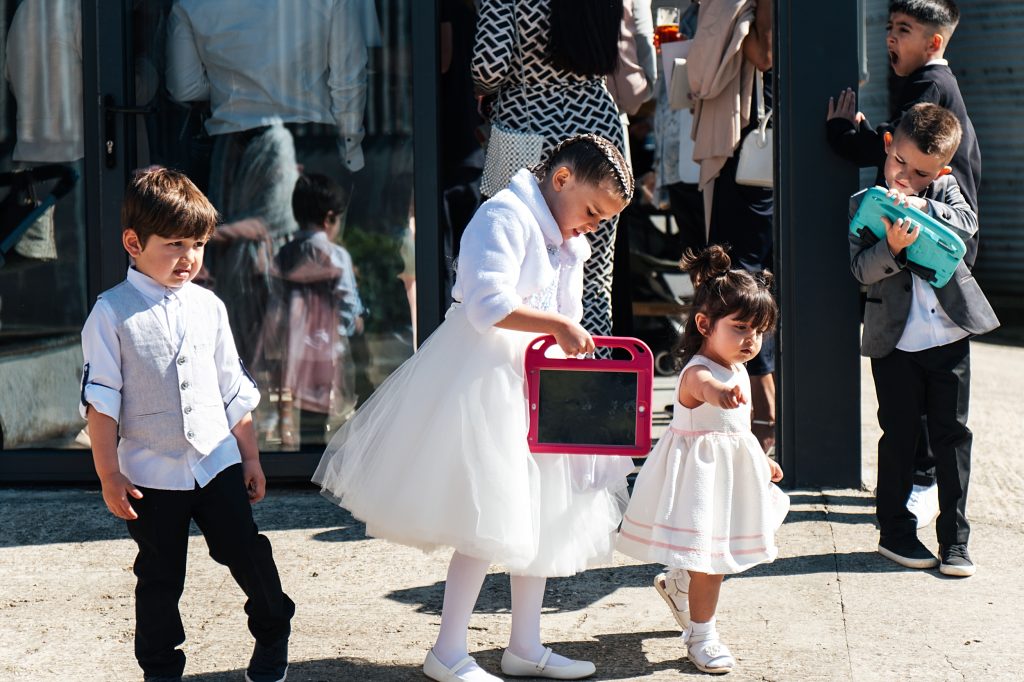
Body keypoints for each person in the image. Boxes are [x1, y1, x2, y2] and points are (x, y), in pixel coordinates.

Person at [313, 134, 635, 682]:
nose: (592, 226)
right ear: (561, 180)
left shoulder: (565, 240)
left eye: (602, 219)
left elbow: (567, 309)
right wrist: (558, 326)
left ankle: (525, 645)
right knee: (487, 517)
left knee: (543, 513)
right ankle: (448, 650)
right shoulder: (504, 215)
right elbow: (487, 304)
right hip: (490, 378)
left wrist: (567, 344)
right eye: (591, 212)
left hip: (542, 383)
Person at [79, 167, 294, 682]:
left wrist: (251, 457)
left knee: (245, 552)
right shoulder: (110, 313)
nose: (188, 257)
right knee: (159, 576)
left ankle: (273, 630)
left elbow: (232, 389)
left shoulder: (209, 306)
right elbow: (101, 403)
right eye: (174, 244)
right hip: (149, 474)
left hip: (216, 461)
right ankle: (160, 669)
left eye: (197, 244)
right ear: (134, 243)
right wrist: (109, 474)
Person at [827, 0, 979, 527]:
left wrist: (845, 136)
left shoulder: (928, 86)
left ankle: (926, 484)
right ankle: (910, 496)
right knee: (912, 406)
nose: (891, 37)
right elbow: (863, 265)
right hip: (917, 262)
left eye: (904, 30)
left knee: (940, 411)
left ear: (934, 42)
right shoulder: (932, 85)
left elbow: (897, 150)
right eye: (890, 27)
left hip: (938, 249)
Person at [617, 244, 787, 675]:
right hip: (699, 480)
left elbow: (738, 429)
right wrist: (720, 393)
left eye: (759, 331)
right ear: (704, 325)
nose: (751, 340)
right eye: (740, 328)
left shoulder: (737, 366)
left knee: (708, 553)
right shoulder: (699, 371)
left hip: (726, 478)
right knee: (710, 561)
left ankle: (679, 584)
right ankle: (701, 635)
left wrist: (759, 459)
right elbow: (707, 389)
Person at [849, 103, 998, 577]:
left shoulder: (945, 192)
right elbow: (860, 269)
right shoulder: (864, 202)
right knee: (899, 436)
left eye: (922, 173)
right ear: (888, 144)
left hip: (949, 335)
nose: (906, 178)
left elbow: (967, 223)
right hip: (894, 342)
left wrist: (926, 208)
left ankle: (955, 541)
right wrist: (891, 248)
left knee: (952, 436)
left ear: (942, 171)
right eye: (900, 163)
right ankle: (895, 532)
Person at [472, 0, 626, 338]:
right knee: (592, 273)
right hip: (598, 120)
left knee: (513, 263)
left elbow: (488, 66)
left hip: (526, 124)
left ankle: (523, 360)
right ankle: (590, 360)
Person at [687, 0, 777, 453]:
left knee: (745, 276)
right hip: (747, 153)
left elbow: (765, 54)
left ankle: (765, 408)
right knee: (745, 274)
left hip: (750, 151)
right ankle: (751, 399)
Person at [259, 173, 363, 448]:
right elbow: (348, 304)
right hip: (328, 351)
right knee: (330, 417)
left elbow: (275, 300)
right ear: (330, 218)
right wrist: (352, 324)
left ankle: (302, 452)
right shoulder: (336, 256)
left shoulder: (284, 254)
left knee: (304, 416)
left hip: (294, 351)